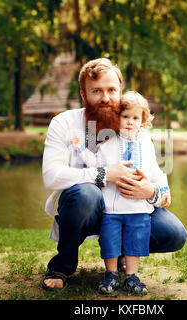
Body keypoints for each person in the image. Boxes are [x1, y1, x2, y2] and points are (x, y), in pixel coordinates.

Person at [41, 57, 187, 290]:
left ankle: (121, 252)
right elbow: (51, 176)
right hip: (82, 209)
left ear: (121, 92)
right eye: (96, 91)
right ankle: (62, 266)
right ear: (83, 94)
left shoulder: (134, 131)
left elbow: (154, 170)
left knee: (174, 233)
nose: (106, 98)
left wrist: (151, 192)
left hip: (127, 208)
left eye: (112, 90)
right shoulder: (63, 123)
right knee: (87, 194)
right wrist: (104, 174)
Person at [70, 91, 171, 294]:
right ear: (117, 117)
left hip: (138, 208)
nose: (130, 122)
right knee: (110, 240)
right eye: (125, 117)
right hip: (112, 207)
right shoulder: (109, 142)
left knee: (136, 241)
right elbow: (97, 163)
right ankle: (111, 275)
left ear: (142, 120)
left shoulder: (146, 144)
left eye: (135, 118)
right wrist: (81, 149)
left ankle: (132, 276)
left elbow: (155, 170)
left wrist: (163, 189)